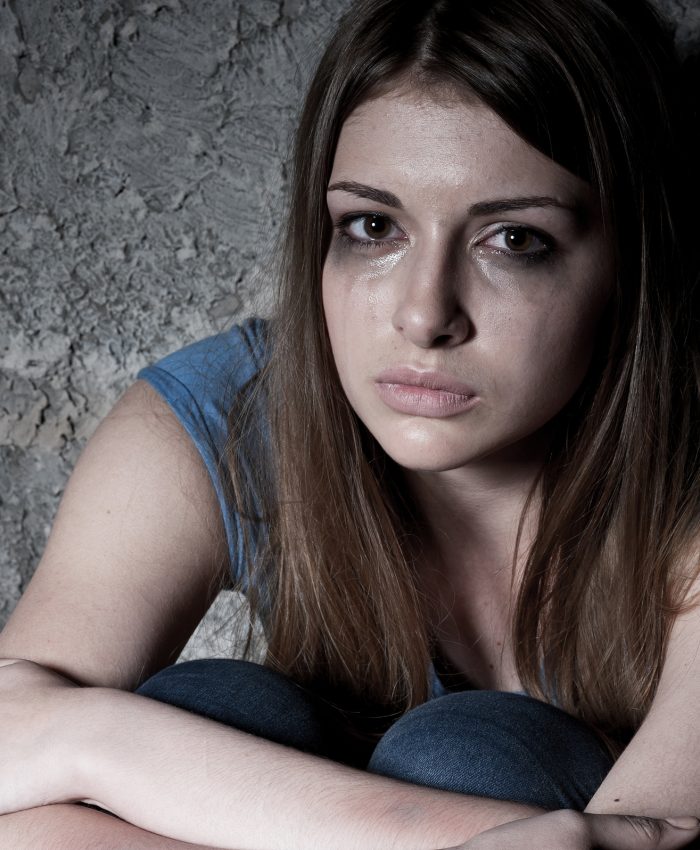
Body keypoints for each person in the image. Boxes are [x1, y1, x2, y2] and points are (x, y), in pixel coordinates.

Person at [0, 0, 698, 847]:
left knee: (471, 757)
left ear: (633, 260)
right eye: (373, 227)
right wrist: (96, 738)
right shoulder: (232, 411)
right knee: (216, 710)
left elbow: (654, 837)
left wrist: (89, 741)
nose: (423, 314)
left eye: (515, 239)